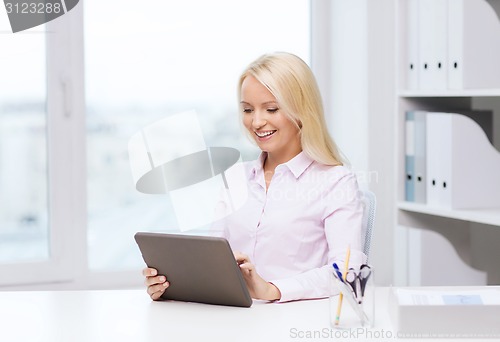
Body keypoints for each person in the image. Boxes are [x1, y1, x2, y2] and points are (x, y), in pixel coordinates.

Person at [143, 52, 365, 302]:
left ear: (302, 110)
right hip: (236, 318)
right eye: (248, 109)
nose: (257, 121)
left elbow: (347, 272)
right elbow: (212, 258)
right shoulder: (237, 176)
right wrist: (171, 286)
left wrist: (272, 289)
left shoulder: (335, 181)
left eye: (271, 109)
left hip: (295, 320)